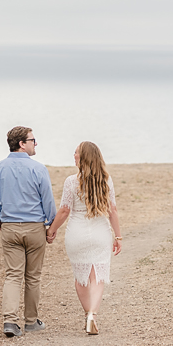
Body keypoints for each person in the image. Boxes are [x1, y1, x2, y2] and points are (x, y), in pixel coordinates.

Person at [46, 141, 122, 335]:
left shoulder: (71, 181)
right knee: (97, 276)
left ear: (84, 157)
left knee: (81, 277)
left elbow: (64, 210)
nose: (74, 156)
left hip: (77, 233)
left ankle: (88, 314)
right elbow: (112, 210)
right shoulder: (106, 180)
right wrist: (118, 236)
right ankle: (92, 316)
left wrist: (51, 229)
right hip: (100, 232)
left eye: (76, 153)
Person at [0, 126, 56, 337]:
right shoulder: (38, 169)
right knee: (33, 277)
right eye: (32, 140)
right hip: (34, 227)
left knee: (13, 275)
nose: (36, 143)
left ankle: (10, 321)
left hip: (9, 227)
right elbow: (48, 200)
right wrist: (51, 224)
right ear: (22, 144)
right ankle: (31, 321)